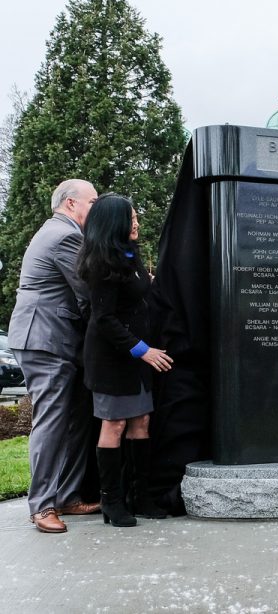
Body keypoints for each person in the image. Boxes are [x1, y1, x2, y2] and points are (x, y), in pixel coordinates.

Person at [8, 179, 101, 533]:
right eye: (93, 202)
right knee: (51, 420)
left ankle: (67, 496)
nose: (96, 209)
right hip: (45, 338)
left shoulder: (57, 231)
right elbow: (88, 289)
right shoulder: (65, 235)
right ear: (71, 203)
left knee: (75, 417)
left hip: (54, 338)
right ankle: (42, 505)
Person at [77, 194, 173, 527]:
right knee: (114, 424)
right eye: (130, 218)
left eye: (136, 217)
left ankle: (141, 497)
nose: (136, 223)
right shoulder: (102, 263)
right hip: (113, 360)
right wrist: (142, 350)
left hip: (136, 358)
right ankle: (112, 503)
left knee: (141, 423)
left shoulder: (129, 256)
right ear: (113, 222)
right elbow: (104, 319)